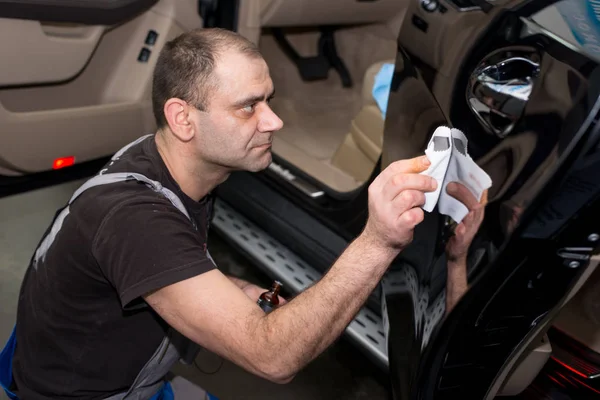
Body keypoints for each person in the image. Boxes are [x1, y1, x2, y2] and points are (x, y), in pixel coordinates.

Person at [1, 28, 485, 399]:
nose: (274, 120)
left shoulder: (164, 161)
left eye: (268, 99)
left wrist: (234, 290)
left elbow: (159, 266)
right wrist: (378, 239)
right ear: (182, 118)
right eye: (248, 107)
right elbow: (272, 358)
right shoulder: (136, 219)